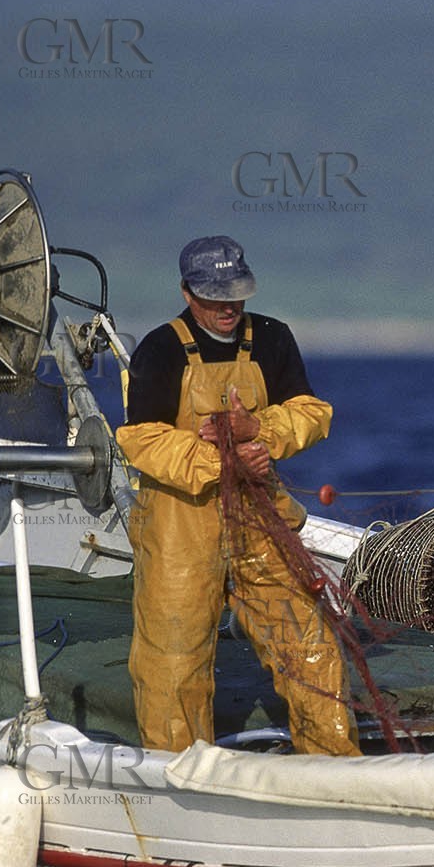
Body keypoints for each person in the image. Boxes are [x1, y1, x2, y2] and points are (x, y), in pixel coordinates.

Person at [116, 236, 358, 755]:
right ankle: (177, 775)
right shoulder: (158, 350)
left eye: (236, 293)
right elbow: (141, 440)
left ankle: (338, 766)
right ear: (186, 292)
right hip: (181, 525)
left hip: (260, 516)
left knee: (308, 645)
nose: (227, 307)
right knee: (173, 660)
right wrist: (223, 460)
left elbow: (312, 412)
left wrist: (260, 432)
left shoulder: (272, 338)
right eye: (213, 295)